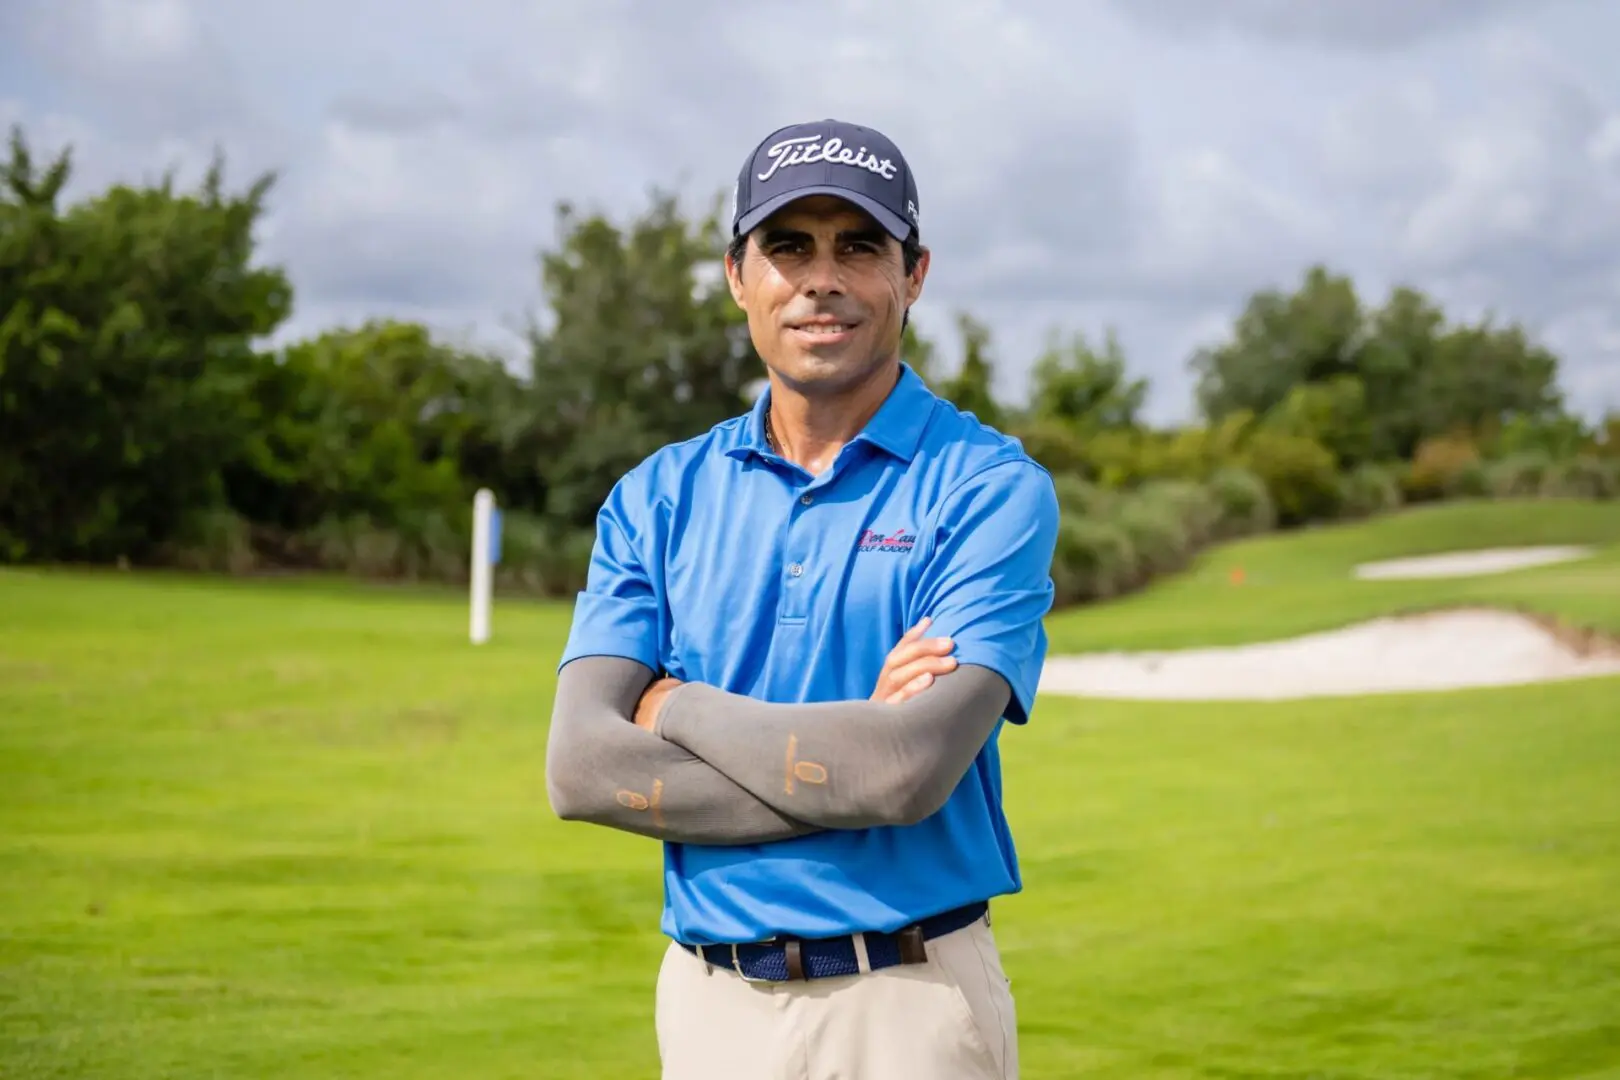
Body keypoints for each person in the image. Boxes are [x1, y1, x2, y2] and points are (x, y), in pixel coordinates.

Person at [545, 118, 1061, 1080]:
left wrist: (673, 706)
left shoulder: (988, 487)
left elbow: (907, 775)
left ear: (913, 274)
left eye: (858, 245)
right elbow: (580, 770)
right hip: (707, 1005)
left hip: (906, 1003)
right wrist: (853, 745)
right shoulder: (657, 496)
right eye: (788, 246)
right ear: (739, 276)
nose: (820, 276)